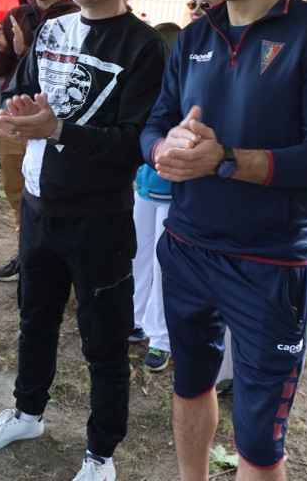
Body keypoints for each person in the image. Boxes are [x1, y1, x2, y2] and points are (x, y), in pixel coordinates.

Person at [141, 0, 307, 481]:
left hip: (267, 263)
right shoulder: (194, 36)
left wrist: (226, 159)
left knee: (259, 440)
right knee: (190, 386)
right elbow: (154, 126)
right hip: (186, 248)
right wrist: (163, 149)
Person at [0, 0, 167, 481]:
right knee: (35, 321)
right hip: (38, 209)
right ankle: (27, 413)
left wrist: (57, 130)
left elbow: (135, 143)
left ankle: (101, 454)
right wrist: (18, 113)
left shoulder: (144, 46)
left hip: (98, 218)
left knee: (104, 343)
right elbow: (19, 89)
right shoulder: (53, 28)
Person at [0, 0, 79, 282]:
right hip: (14, 114)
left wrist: (25, 50)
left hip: (55, 119)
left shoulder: (75, 17)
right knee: (16, 191)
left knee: (54, 191)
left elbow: (69, 71)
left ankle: (60, 263)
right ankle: (26, 256)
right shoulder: (16, 15)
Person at [131, 21, 181, 370]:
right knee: (137, 254)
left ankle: (161, 339)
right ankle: (133, 319)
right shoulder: (145, 85)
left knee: (165, 265)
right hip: (144, 187)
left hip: (174, 193)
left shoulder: (184, 90)